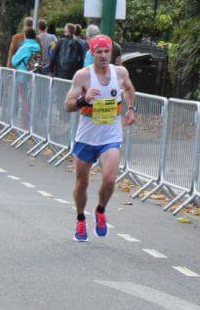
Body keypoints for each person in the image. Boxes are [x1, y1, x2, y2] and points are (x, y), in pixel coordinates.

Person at [64, 34, 136, 242]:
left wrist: (132, 109)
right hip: (87, 137)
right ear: (92, 53)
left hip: (110, 136)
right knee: (82, 182)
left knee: (110, 179)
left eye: (107, 52)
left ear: (111, 53)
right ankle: (80, 218)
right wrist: (82, 99)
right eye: (99, 52)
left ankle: (101, 210)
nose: (103, 56)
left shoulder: (120, 73)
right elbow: (67, 105)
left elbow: (130, 90)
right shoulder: (83, 76)